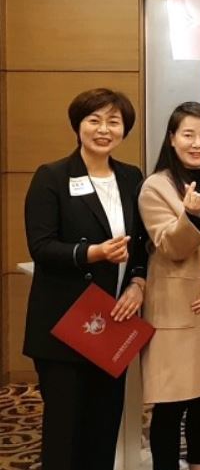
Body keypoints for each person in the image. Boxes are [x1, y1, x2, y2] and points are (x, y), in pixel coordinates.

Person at [23, 88, 147, 470]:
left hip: (112, 321)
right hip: (64, 324)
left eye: (114, 122)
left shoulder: (131, 176)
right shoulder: (52, 176)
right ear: (78, 126)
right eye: (94, 120)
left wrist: (137, 283)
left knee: (103, 428)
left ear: (124, 129)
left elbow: (141, 245)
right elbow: (41, 247)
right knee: (64, 434)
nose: (104, 129)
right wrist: (93, 252)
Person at [139, 102, 200, 470]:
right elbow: (170, 245)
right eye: (188, 135)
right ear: (172, 138)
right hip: (174, 307)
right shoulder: (156, 186)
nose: (197, 143)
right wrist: (191, 216)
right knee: (170, 402)